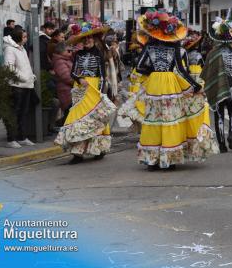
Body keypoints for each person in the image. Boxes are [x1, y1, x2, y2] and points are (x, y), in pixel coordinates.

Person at [119, 11, 218, 170]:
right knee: (170, 120)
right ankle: (169, 159)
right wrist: (196, 86)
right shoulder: (175, 50)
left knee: (153, 120)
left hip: (154, 86)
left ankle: (152, 160)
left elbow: (140, 67)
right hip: (171, 86)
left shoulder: (149, 48)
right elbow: (180, 71)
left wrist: (154, 72)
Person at [54, 21, 117, 164]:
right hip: (80, 89)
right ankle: (77, 153)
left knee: (94, 119)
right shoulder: (78, 54)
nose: (87, 41)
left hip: (94, 88)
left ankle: (98, 149)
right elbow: (73, 72)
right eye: (85, 39)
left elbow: (102, 76)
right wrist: (80, 78)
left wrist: (101, 94)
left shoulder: (99, 54)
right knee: (76, 118)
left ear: (94, 39)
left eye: (90, 39)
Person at [201, 16, 232, 152]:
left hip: (218, 88)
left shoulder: (213, 53)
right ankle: (231, 136)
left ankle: (221, 144)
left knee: (219, 115)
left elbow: (207, 72)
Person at [3, 29, 36, 148]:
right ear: (18, 37)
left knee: (23, 113)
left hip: (26, 85)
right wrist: (23, 77)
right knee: (14, 113)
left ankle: (22, 137)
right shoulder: (10, 49)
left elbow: (25, 65)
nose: (26, 38)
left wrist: (31, 76)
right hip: (16, 86)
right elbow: (9, 67)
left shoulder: (22, 49)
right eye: (24, 36)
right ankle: (11, 139)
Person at [51, 42, 73, 115]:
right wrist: (79, 81)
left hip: (70, 91)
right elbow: (66, 77)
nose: (71, 52)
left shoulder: (66, 59)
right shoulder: (59, 62)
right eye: (68, 51)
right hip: (67, 93)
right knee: (69, 115)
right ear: (61, 51)